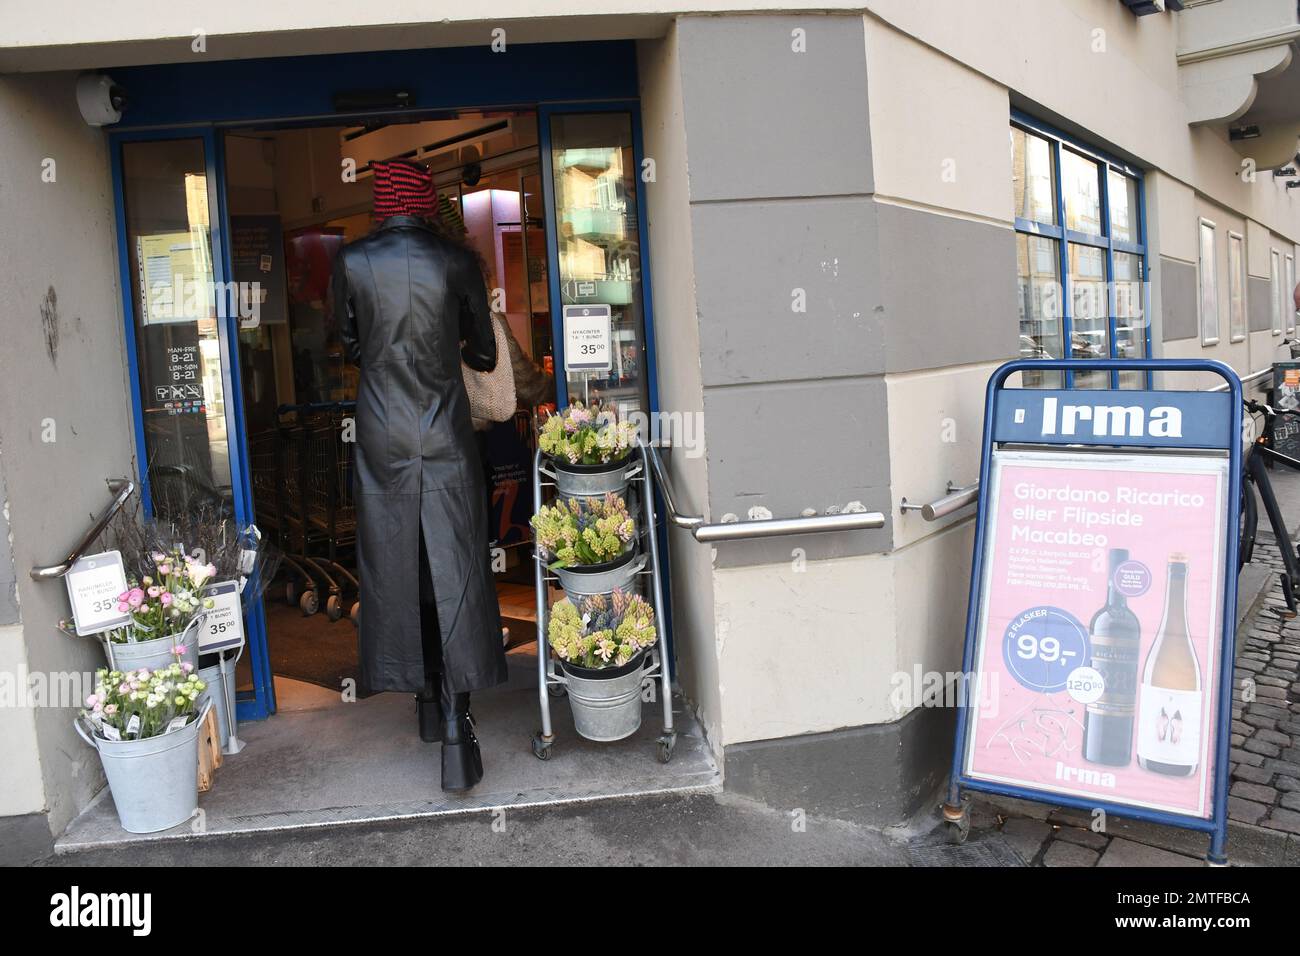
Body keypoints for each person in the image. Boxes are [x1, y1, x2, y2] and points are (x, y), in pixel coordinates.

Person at [332, 159, 507, 792]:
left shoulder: (351, 262)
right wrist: (447, 340)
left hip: (381, 434)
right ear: (426, 201)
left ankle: (427, 697)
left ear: (381, 202)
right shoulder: (456, 262)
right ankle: (458, 731)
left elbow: (347, 344)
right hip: (445, 431)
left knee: (396, 563)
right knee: (455, 564)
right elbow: (485, 354)